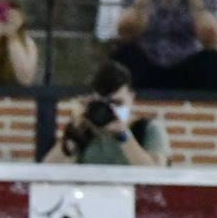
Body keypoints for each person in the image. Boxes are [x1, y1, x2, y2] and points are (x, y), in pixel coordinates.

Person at [111, 0, 217, 91]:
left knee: (215, 63)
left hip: (188, 64)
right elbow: (126, 33)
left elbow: (211, 40)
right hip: (146, 61)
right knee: (123, 57)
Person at [42, 60, 170, 166]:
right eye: (103, 104)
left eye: (118, 103)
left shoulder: (148, 129)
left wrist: (123, 134)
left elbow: (156, 176)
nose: (111, 110)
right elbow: (47, 172)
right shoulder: (85, 132)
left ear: (132, 97)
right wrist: (74, 133)